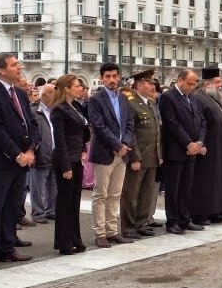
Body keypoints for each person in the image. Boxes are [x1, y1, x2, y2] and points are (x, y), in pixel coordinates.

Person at [0, 53, 39, 269]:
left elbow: (31, 124)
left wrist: (31, 149)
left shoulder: (20, 94)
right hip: (2, 160)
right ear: (1, 70)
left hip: (22, 159)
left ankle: (7, 247)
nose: (19, 67)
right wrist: (17, 154)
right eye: (14, 65)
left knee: (12, 206)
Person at [88, 63, 136, 247]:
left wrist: (125, 143)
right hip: (104, 153)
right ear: (101, 78)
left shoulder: (124, 99)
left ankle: (112, 231)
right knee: (101, 194)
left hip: (122, 153)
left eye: (114, 76)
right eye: (107, 76)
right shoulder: (96, 99)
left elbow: (129, 124)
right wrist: (117, 145)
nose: (112, 80)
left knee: (115, 194)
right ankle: (100, 233)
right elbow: (99, 126)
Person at [159, 69, 205, 234]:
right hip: (176, 150)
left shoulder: (193, 97)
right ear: (180, 80)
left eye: (194, 85)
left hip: (192, 150)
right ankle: (172, 222)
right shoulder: (168, 97)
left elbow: (201, 121)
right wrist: (188, 144)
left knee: (187, 187)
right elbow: (172, 123)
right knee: (173, 188)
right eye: (189, 84)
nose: (191, 87)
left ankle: (185, 219)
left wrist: (199, 142)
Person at [51, 75, 90, 255]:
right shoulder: (59, 110)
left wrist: (83, 148)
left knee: (74, 202)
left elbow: (83, 131)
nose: (80, 88)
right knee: (65, 202)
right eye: (76, 85)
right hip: (65, 160)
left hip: (76, 158)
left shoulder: (76, 106)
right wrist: (65, 166)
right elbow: (60, 141)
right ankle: (63, 241)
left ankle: (75, 238)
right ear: (67, 88)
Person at [122, 69, 162, 239]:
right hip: (138, 156)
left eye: (153, 83)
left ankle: (141, 222)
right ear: (139, 85)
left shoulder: (151, 103)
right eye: (149, 83)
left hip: (152, 155)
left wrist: (159, 154)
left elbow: (157, 132)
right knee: (131, 193)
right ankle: (128, 226)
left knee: (146, 193)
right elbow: (131, 133)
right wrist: (134, 157)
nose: (153, 86)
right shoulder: (131, 103)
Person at [191, 68, 222, 222]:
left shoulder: (218, 99)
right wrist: (200, 143)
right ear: (207, 84)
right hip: (208, 148)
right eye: (218, 82)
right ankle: (201, 213)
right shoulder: (199, 98)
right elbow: (198, 124)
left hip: (221, 147)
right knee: (205, 182)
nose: (220, 85)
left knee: (219, 180)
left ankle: (216, 210)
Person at [28, 84, 57, 223]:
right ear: (44, 95)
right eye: (53, 93)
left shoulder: (56, 110)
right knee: (37, 186)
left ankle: (50, 210)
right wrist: (32, 150)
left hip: (55, 152)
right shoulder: (34, 111)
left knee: (53, 185)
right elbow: (30, 133)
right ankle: (38, 213)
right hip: (41, 152)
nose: (55, 96)